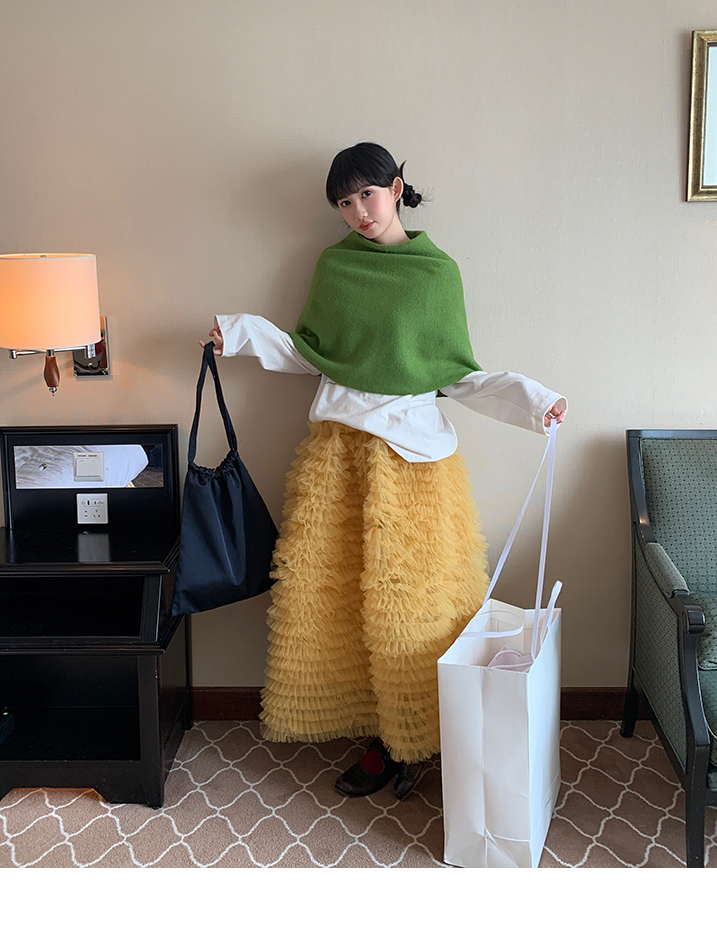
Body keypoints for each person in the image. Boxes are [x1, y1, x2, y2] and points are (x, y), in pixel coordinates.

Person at [201, 142, 567, 801]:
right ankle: (379, 737)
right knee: (339, 605)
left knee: (416, 610)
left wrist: (536, 402)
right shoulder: (335, 266)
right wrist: (242, 335)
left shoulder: (437, 275)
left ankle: (417, 740)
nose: (358, 212)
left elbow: (458, 374)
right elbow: (310, 353)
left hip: (415, 464)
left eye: (366, 194)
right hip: (337, 458)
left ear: (397, 188)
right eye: (344, 203)